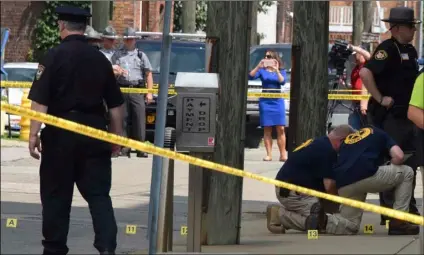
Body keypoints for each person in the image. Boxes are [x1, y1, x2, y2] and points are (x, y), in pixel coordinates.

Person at [27, 5, 124, 254]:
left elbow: (40, 102)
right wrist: (116, 136)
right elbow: (115, 106)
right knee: (99, 195)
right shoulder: (101, 60)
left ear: (61, 26)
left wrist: (33, 134)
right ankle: (107, 247)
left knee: (56, 196)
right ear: (83, 28)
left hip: (60, 135)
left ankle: (54, 248)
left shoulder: (53, 56)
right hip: (94, 133)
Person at [359, 6, 421, 225]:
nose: (413, 30)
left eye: (414, 26)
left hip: (407, 117)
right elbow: (366, 72)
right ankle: (391, 212)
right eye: (409, 26)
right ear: (395, 28)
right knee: (394, 163)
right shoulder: (387, 49)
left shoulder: (410, 51)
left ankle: (406, 207)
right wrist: (379, 97)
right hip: (390, 118)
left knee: (409, 164)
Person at [305, 126, 419, 235]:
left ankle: (324, 220)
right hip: (366, 174)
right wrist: (391, 165)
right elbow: (398, 156)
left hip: (343, 183)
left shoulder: (346, 141)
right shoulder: (380, 133)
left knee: (350, 225)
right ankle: (399, 222)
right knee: (407, 172)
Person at [266, 125, 355, 234]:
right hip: (292, 193)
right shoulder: (327, 151)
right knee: (319, 221)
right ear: (341, 141)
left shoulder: (321, 143)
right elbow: (330, 187)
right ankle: (279, 215)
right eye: (349, 144)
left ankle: (297, 213)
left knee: (329, 213)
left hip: (293, 189)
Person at [111, 27, 153, 158]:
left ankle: (140, 147)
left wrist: (149, 92)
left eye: (131, 39)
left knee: (139, 118)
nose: (129, 41)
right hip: (122, 89)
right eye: (127, 39)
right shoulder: (117, 55)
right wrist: (116, 72)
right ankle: (124, 147)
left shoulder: (141, 55)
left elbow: (148, 74)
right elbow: (110, 72)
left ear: (135, 40)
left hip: (137, 89)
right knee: (123, 119)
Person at [248, 50, 288, 162]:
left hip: (277, 101)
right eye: (265, 56)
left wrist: (276, 70)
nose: (267, 58)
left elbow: (283, 82)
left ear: (274, 58)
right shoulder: (262, 71)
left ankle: (283, 154)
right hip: (265, 102)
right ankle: (269, 154)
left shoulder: (281, 70)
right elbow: (250, 76)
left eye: (269, 56)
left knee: (280, 128)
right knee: (267, 129)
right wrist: (258, 65)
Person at [347, 44, 371, 130]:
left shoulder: (368, 64)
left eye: (356, 54)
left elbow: (368, 56)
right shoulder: (356, 68)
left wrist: (355, 48)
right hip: (355, 104)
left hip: (365, 105)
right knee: (353, 129)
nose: (354, 57)